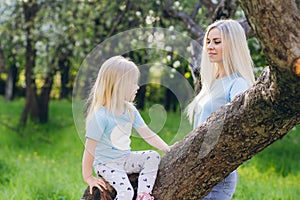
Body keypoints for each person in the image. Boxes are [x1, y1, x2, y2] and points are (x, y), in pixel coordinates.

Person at [82, 55, 170, 200]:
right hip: (106, 164)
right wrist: (88, 177)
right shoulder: (100, 116)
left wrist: (167, 149)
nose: (137, 87)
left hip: (125, 158)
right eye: (133, 83)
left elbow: (147, 134)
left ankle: (143, 195)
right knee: (126, 193)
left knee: (152, 156)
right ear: (119, 85)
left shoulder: (130, 110)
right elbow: (89, 150)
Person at [186, 19, 255, 199]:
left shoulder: (238, 83)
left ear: (233, 46)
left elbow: (239, 127)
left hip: (217, 174)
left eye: (217, 42)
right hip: (197, 170)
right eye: (208, 41)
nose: (209, 46)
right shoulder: (212, 83)